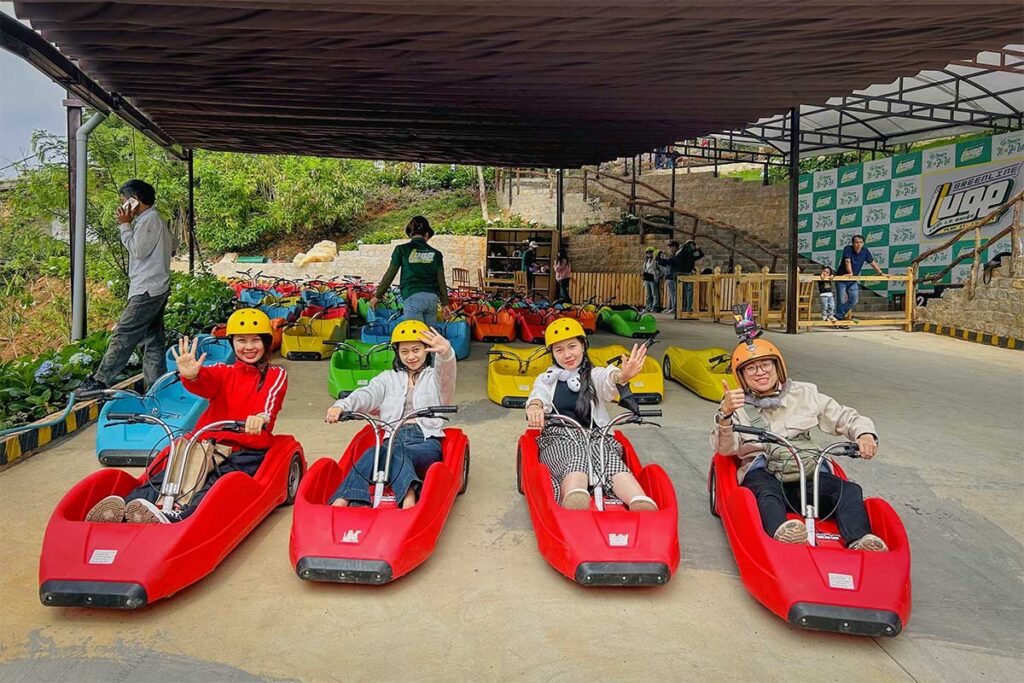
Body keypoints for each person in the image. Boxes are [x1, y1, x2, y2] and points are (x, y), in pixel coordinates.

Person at [85, 309, 288, 524]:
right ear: (232, 343)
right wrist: (191, 376)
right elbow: (206, 383)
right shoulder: (222, 371)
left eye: (255, 340)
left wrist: (260, 418)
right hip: (205, 443)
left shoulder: (275, 375)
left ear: (266, 342)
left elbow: (270, 402)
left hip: (245, 449)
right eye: (241, 340)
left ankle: (181, 515)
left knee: (212, 481)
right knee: (167, 474)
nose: (248, 347)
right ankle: (127, 508)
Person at [711, 337, 887, 551]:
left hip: (807, 473)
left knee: (848, 490)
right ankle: (782, 533)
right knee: (766, 492)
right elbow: (725, 449)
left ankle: (860, 540)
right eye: (751, 369)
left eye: (766, 364)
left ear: (778, 366)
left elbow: (844, 417)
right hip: (765, 472)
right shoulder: (735, 406)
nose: (760, 372)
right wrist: (726, 415)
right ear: (741, 377)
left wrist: (865, 434)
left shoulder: (806, 394)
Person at [525, 318, 658, 512]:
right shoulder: (547, 379)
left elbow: (607, 379)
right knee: (574, 455)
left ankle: (638, 499)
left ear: (583, 345)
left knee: (608, 457)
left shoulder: (593, 375)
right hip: (559, 436)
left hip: (596, 435)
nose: (567, 354)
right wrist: (535, 407)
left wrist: (622, 376)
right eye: (559, 350)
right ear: (552, 354)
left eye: (572, 346)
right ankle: (575, 495)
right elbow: (538, 395)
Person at [325, 320, 456, 509]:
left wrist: (446, 353)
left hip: (425, 440)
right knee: (374, 451)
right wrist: (341, 406)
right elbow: (367, 394)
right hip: (392, 438)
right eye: (404, 351)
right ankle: (344, 500)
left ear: (426, 350)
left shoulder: (433, 377)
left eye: (416, 350)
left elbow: (446, 374)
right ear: (397, 353)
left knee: (394, 452)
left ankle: (408, 499)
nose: (411, 356)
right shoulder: (388, 378)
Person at [76, 180, 173, 395]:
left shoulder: (149, 219)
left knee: (124, 333)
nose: (122, 207)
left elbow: (138, 251)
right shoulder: (151, 219)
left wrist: (124, 225)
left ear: (134, 200)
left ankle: (101, 380)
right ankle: (157, 387)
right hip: (155, 286)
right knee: (152, 339)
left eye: (124, 201)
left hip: (146, 289)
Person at [371, 216, 448, 326]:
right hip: (432, 299)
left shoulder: (402, 250)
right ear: (426, 234)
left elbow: (390, 274)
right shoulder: (437, 254)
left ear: (411, 234)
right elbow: (441, 281)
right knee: (430, 337)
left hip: (413, 297)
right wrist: (445, 304)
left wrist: (377, 297)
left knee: (415, 338)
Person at [834, 235, 884, 324]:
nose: (859, 244)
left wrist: (880, 273)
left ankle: (837, 316)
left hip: (852, 280)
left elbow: (872, 262)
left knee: (854, 300)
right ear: (853, 243)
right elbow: (847, 261)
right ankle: (839, 322)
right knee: (841, 301)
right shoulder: (848, 248)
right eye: (856, 242)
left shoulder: (865, 251)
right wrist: (850, 273)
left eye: (861, 242)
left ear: (863, 243)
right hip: (842, 278)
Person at [642, 246, 660, 312]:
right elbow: (644, 269)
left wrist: (658, 275)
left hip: (653, 277)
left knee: (654, 294)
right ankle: (648, 307)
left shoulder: (655, 260)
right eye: (647, 252)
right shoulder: (646, 260)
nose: (649, 253)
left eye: (650, 252)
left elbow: (659, 269)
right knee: (648, 294)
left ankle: (655, 307)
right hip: (647, 277)